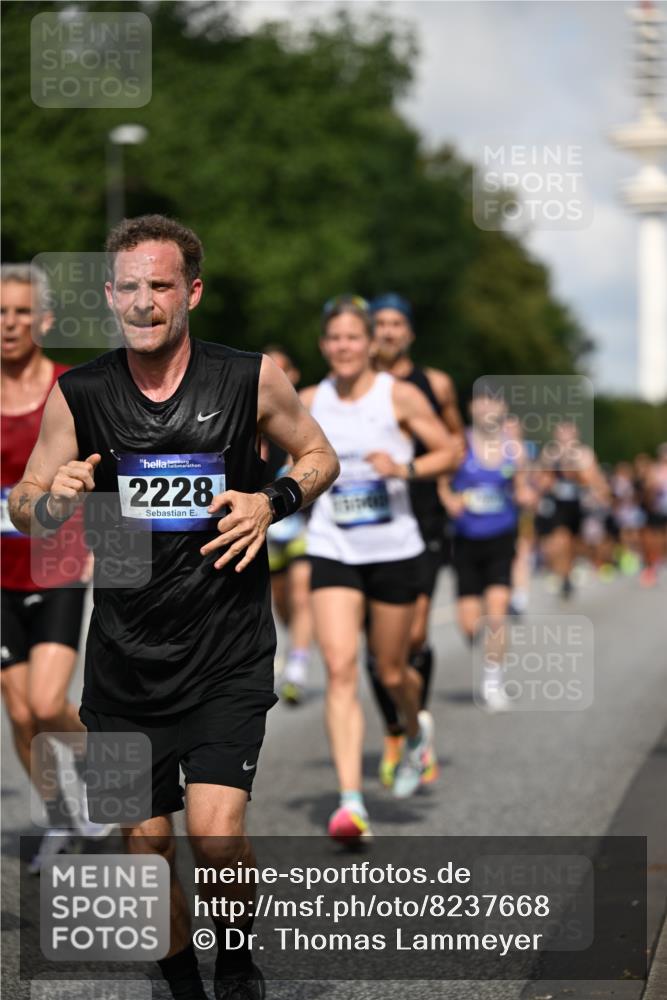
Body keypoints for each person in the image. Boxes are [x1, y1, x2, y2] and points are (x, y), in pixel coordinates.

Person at [9, 215, 339, 1000]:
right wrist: (47, 501)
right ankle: (180, 980)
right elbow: (25, 500)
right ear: (109, 295)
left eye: (160, 285)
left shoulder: (246, 378)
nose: (144, 302)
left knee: (217, 836)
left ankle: (235, 965)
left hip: (226, 647)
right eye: (129, 287)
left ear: (190, 291)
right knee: (145, 840)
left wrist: (272, 501)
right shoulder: (80, 392)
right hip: (125, 657)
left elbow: (319, 454)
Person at [301, 295, 461, 841]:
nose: (344, 347)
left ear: (372, 343)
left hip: (395, 549)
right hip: (332, 547)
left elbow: (452, 451)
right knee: (341, 669)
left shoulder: (402, 395)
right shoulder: (308, 399)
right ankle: (351, 804)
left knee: (391, 670)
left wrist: (407, 466)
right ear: (324, 345)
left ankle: (415, 730)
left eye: (354, 337)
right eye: (335, 338)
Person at [1, 262, 110, 873]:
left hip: (56, 558)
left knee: (46, 705)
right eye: (0, 313)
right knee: (18, 714)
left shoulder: (69, 388)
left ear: (42, 320)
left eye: (20, 312)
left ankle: (102, 764)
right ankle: (59, 816)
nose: (9, 324)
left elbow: (104, 471)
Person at [366, 293, 464, 786]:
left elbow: (455, 445)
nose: (387, 331)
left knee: (416, 633)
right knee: (375, 643)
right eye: (379, 323)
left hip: (420, 516)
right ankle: (394, 731)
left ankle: (414, 723)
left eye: (395, 323)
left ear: (409, 333)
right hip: (363, 523)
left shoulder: (435, 383)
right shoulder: (352, 383)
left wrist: (433, 478)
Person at [439, 385, 534, 712]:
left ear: (502, 407)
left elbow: (523, 489)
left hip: (500, 538)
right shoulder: (459, 443)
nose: (486, 409)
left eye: (492, 402)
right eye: (480, 402)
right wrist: (449, 500)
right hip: (465, 540)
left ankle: (493, 681)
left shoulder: (514, 450)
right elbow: (441, 480)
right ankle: (487, 649)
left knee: (497, 613)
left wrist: (525, 496)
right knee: (469, 624)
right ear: (471, 408)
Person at [261, 346, 313, 704]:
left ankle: (297, 665)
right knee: (280, 602)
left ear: (292, 376)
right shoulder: (249, 418)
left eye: (283, 369)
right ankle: (295, 643)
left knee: (300, 594)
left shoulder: (302, 419)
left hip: (302, 527)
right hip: (266, 530)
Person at [534, 421, 608, 598]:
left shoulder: (584, 453)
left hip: (578, 504)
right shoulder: (550, 452)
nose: (565, 436)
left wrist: (574, 469)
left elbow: (591, 478)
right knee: (559, 539)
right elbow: (541, 478)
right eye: (562, 432)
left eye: (569, 433)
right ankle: (562, 576)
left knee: (574, 543)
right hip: (557, 504)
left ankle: (568, 571)